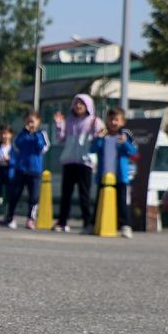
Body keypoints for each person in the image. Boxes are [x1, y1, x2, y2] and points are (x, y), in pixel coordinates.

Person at [52, 94, 104, 233]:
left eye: (82, 103)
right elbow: (60, 139)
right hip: (69, 161)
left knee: (84, 194)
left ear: (88, 106)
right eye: (76, 103)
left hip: (85, 162)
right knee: (66, 194)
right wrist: (59, 125)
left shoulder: (94, 121)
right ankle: (62, 222)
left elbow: (100, 136)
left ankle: (87, 223)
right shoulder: (68, 121)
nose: (78, 106)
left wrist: (98, 135)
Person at [92, 108, 139, 238]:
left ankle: (125, 226)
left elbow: (134, 152)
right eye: (111, 119)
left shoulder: (124, 136)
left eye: (116, 120)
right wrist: (99, 138)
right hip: (104, 176)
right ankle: (94, 224)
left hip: (120, 177)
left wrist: (125, 143)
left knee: (122, 202)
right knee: (99, 202)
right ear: (106, 120)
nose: (113, 122)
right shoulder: (103, 136)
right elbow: (92, 149)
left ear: (122, 122)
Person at [3, 110, 50, 230]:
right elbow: (16, 146)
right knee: (14, 194)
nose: (30, 123)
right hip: (21, 169)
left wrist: (35, 135)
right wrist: (26, 133)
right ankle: (10, 217)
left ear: (38, 122)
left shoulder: (41, 134)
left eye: (33, 121)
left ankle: (31, 219)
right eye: (28, 121)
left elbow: (43, 148)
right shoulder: (21, 134)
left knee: (33, 197)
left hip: (35, 170)